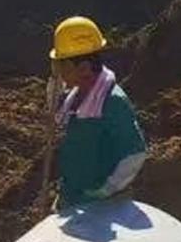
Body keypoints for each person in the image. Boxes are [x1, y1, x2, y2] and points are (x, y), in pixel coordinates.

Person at [48, 15, 145, 209]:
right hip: (73, 197)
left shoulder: (112, 102)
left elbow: (135, 153)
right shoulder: (76, 94)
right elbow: (57, 114)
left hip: (103, 204)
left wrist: (107, 189)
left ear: (84, 68)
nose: (58, 72)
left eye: (62, 67)